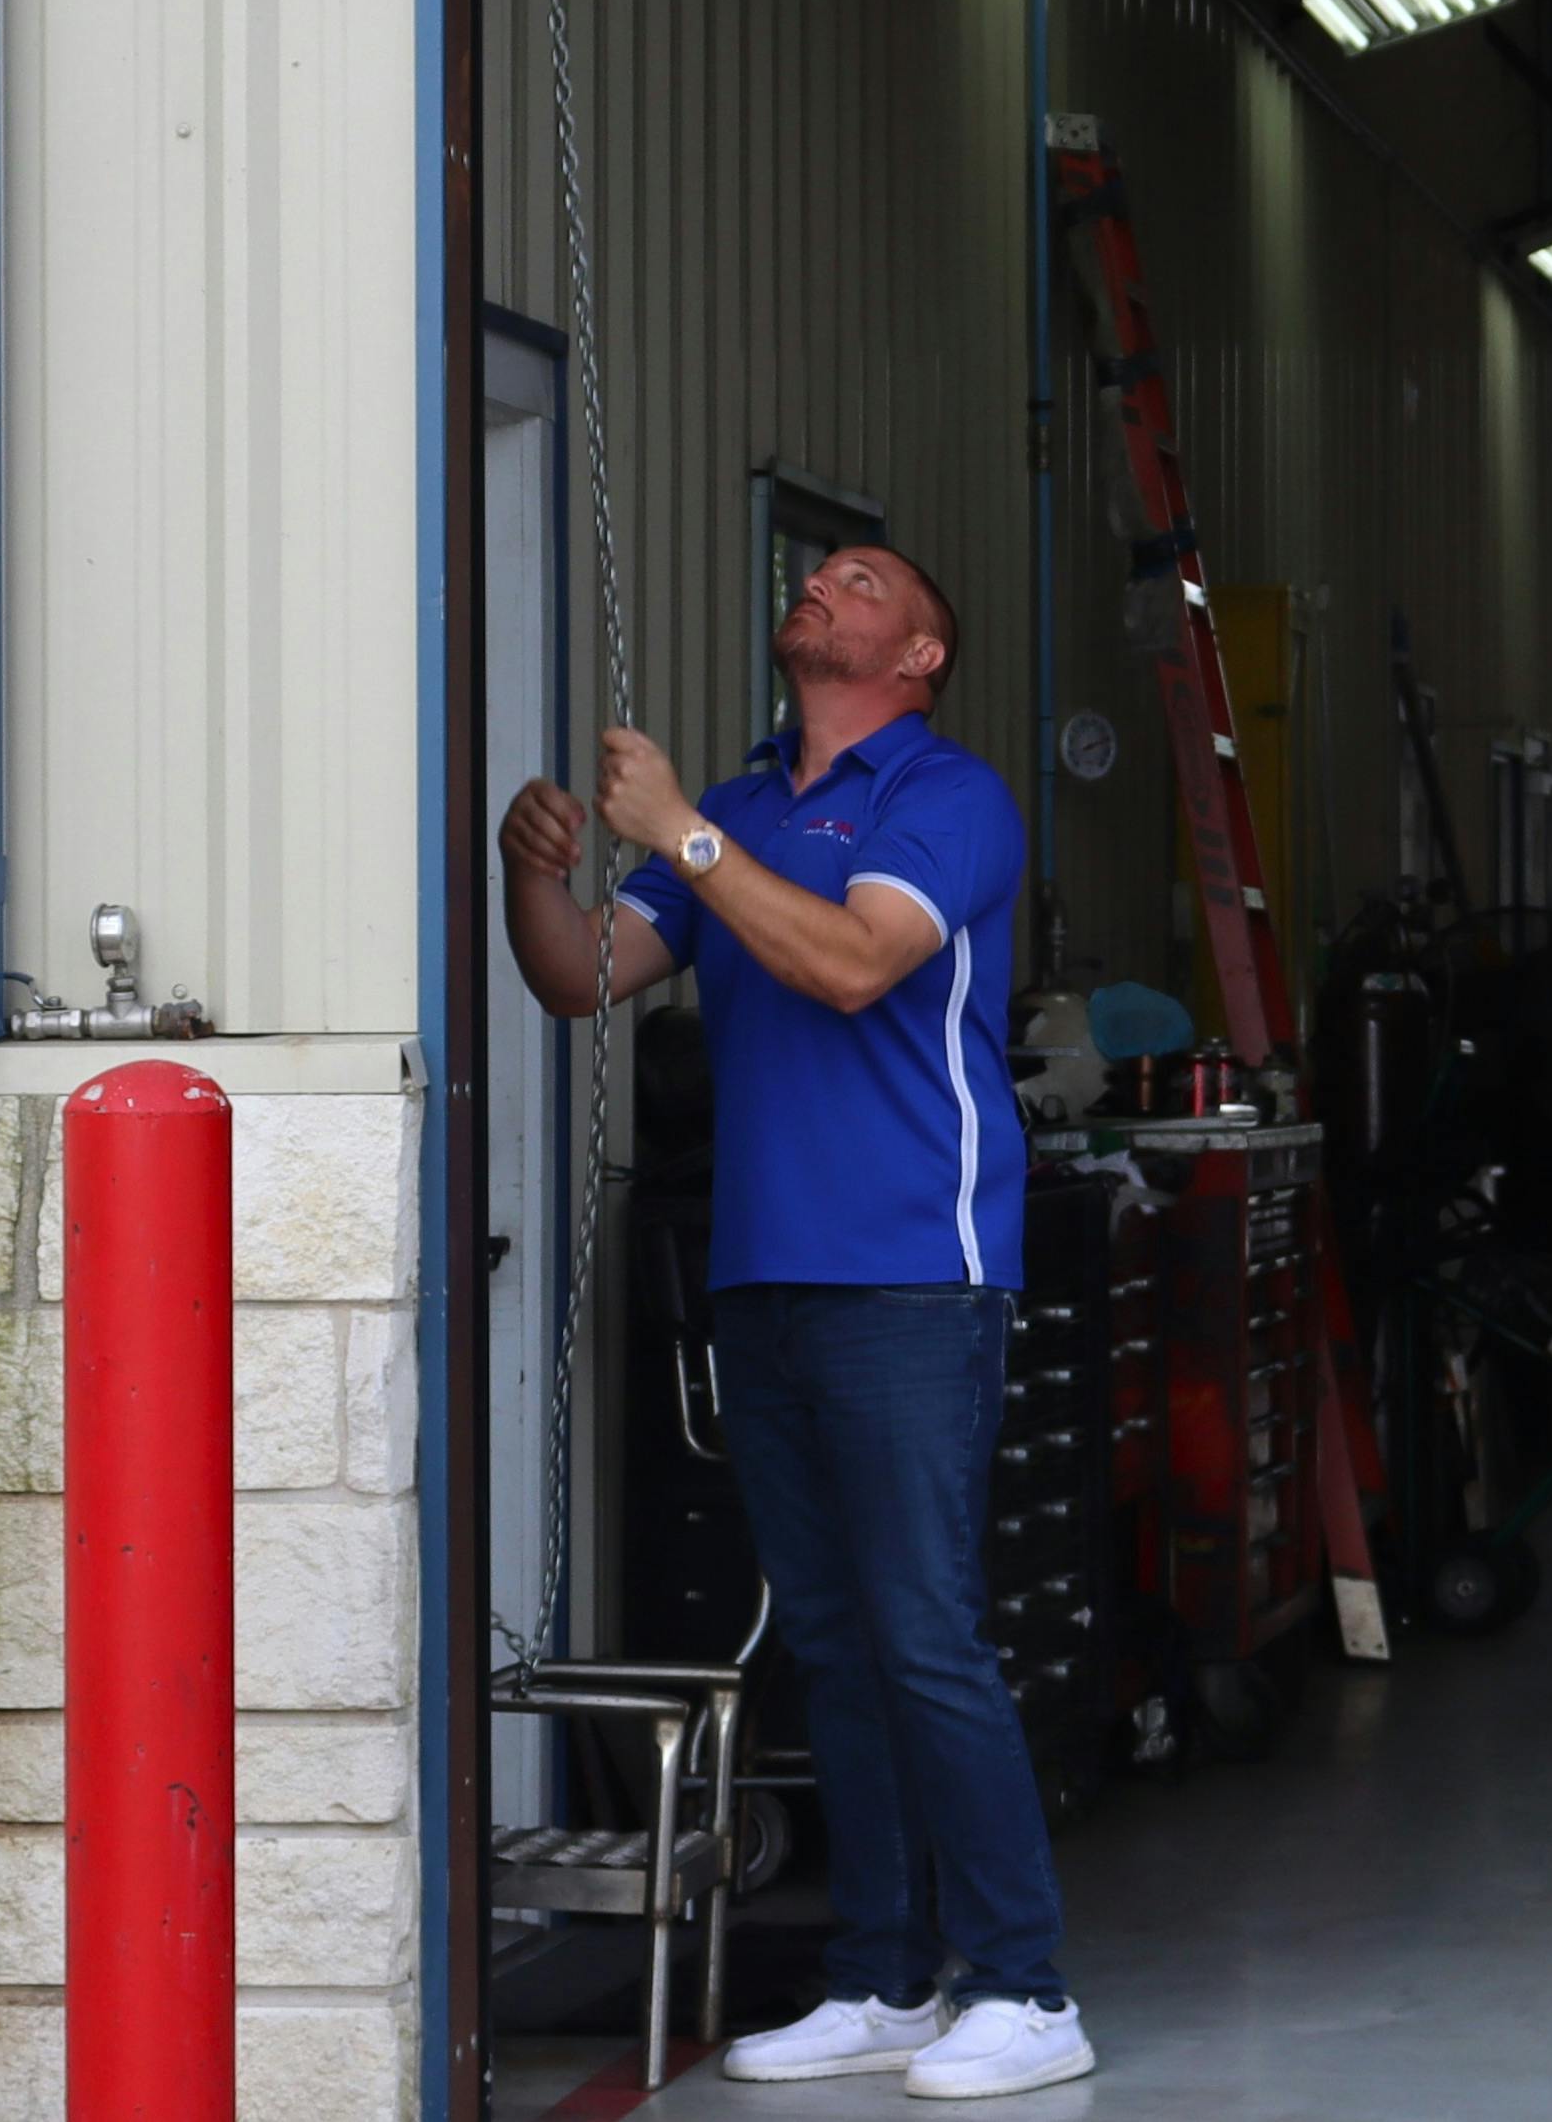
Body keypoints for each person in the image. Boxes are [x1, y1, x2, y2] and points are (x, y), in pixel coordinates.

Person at [500, 543, 1091, 2100]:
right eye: (817, 572)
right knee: (830, 1639)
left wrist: (679, 833)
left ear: (922, 650)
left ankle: (1026, 1985)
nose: (824, 585)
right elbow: (580, 980)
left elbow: (850, 964)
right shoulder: (749, 804)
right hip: (768, 1273)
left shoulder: (942, 798)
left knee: (925, 1630)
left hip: (914, 1272)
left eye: (864, 578)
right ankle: (887, 1974)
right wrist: (532, 870)